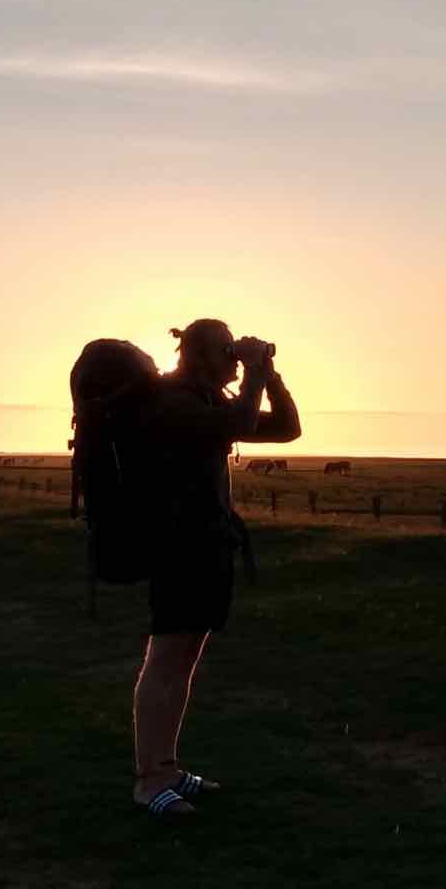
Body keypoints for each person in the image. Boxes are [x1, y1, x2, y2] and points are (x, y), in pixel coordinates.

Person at [131, 318, 300, 818]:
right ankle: (148, 781)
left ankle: (166, 765)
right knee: (165, 661)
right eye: (226, 350)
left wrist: (268, 375)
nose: (233, 359)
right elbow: (244, 425)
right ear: (200, 354)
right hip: (177, 549)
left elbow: (287, 428)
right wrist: (253, 374)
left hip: (207, 546)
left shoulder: (208, 401)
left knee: (183, 661)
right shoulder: (173, 401)